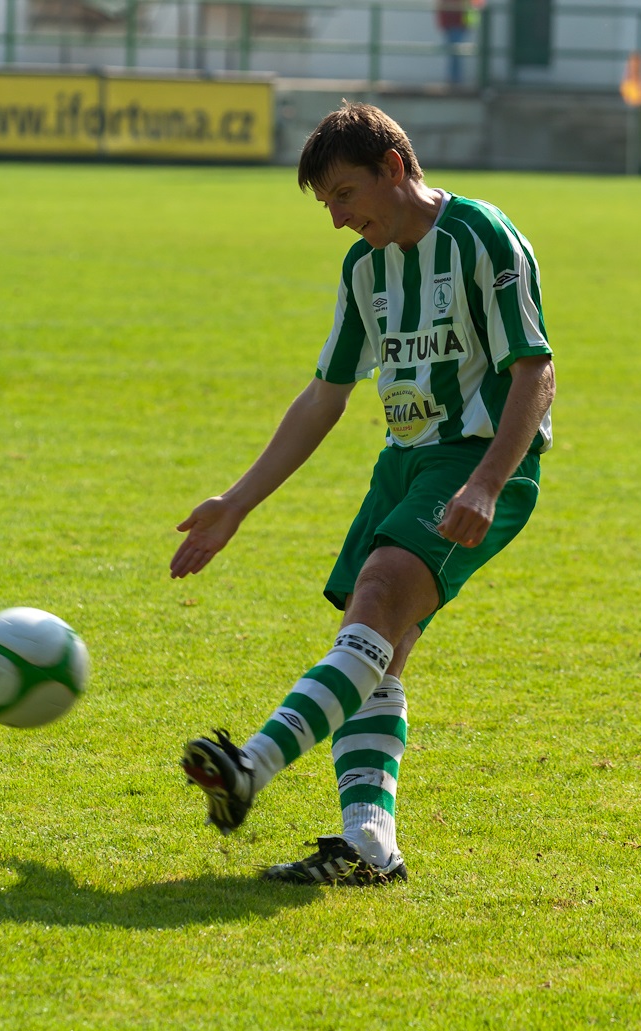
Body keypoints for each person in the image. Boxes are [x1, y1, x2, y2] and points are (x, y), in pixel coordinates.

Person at [171, 101, 555, 886]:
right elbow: (324, 395)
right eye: (327, 206)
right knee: (378, 649)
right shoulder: (365, 270)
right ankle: (370, 848)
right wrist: (235, 504)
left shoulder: (482, 237)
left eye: (345, 196)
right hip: (404, 464)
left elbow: (534, 372)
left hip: (478, 458)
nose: (338, 220)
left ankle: (252, 766)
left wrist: (487, 482)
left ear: (394, 168)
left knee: (378, 595)